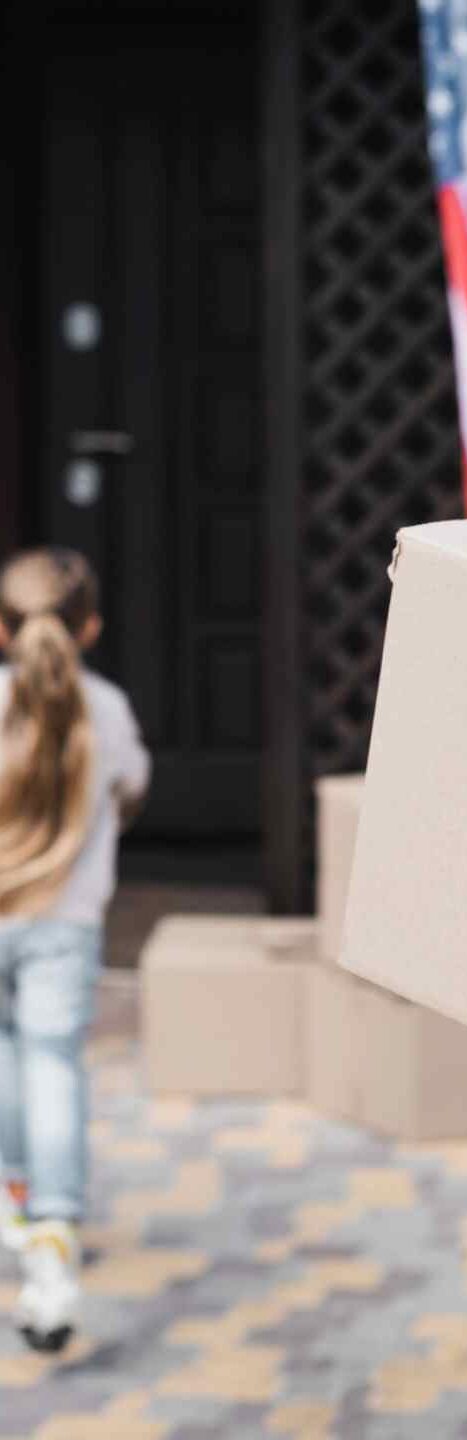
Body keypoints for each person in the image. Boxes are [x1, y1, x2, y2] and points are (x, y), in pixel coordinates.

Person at [0, 548, 149, 1352]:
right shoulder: (108, 710)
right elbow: (129, 791)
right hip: (66, 920)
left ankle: (15, 1198)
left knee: (4, 1055)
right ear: (90, 625)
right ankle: (53, 1245)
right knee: (52, 1062)